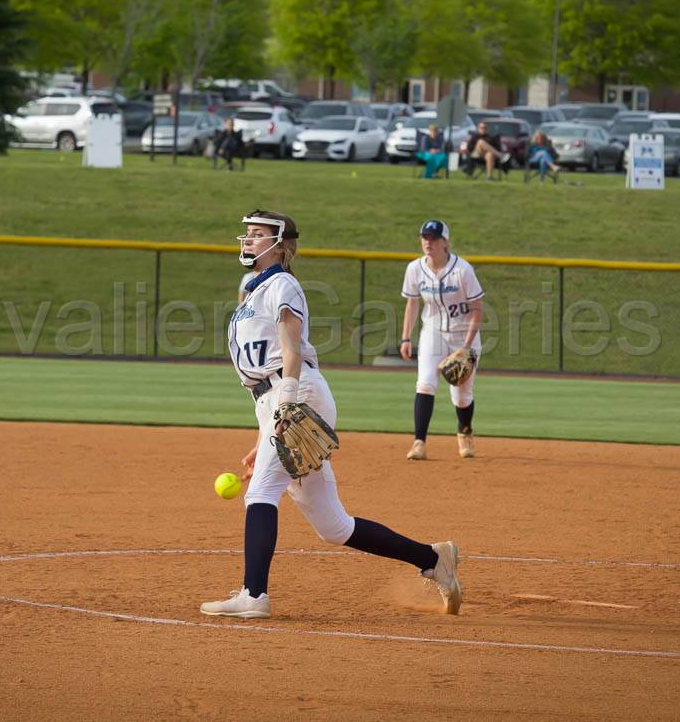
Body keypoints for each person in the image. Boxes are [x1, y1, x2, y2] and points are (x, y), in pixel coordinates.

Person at [201, 210, 463, 619]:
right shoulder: (253, 291)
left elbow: (289, 351)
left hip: (296, 392)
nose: (248, 239)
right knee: (333, 526)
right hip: (277, 400)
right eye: (247, 233)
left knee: (261, 493)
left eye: (258, 234)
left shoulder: (281, 284)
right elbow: (263, 376)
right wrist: (262, 438)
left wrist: (287, 402)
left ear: (280, 243)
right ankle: (433, 559)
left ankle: (254, 596)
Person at [399, 220, 485, 461]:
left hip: (463, 334)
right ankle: (419, 443)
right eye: (425, 237)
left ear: (445, 242)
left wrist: (467, 348)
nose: (428, 242)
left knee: (461, 395)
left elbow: (478, 309)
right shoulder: (415, 269)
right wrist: (406, 337)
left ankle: (464, 432)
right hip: (433, 333)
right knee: (425, 384)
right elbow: (412, 303)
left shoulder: (463, 270)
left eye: (434, 238)